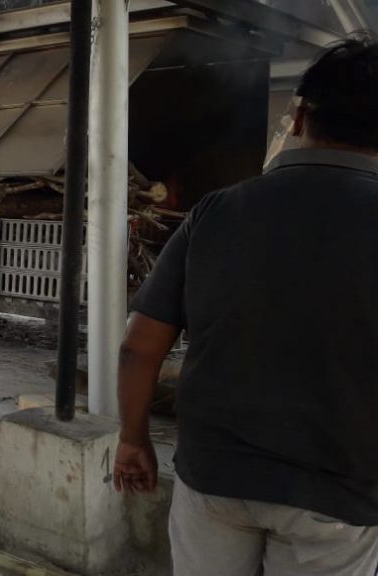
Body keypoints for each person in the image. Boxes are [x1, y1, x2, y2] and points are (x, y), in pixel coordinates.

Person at [113, 37, 378, 575]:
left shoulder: (216, 211)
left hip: (216, 479)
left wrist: (132, 438)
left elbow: (139, 348)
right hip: (340, 494)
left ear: (300, 116)